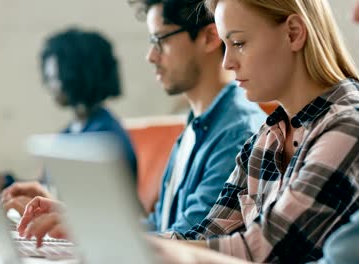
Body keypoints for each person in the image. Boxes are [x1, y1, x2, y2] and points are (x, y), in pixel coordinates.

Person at [14, 0, 267, 243]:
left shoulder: (237, 132)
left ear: (210, 38)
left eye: (160, 40)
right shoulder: (196, 124)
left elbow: (189, 238)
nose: (150, 56)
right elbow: (159, 226)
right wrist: (76, 220)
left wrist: (89, 233)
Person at [149, 0, 359, 263]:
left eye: (238, 43)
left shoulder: (349, 125)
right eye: (225, 45)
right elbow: (207, 233)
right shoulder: (267, 136)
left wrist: (147, 250)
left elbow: (265, 250)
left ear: (294, 33)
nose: (227, 63)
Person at [1, 28, 137, 214]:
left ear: (76, 75)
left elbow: (102, 211)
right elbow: (48, 189)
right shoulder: (71, 131)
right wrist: (6, 182)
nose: (48, 86)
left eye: (54, 78)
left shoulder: (106, 138)